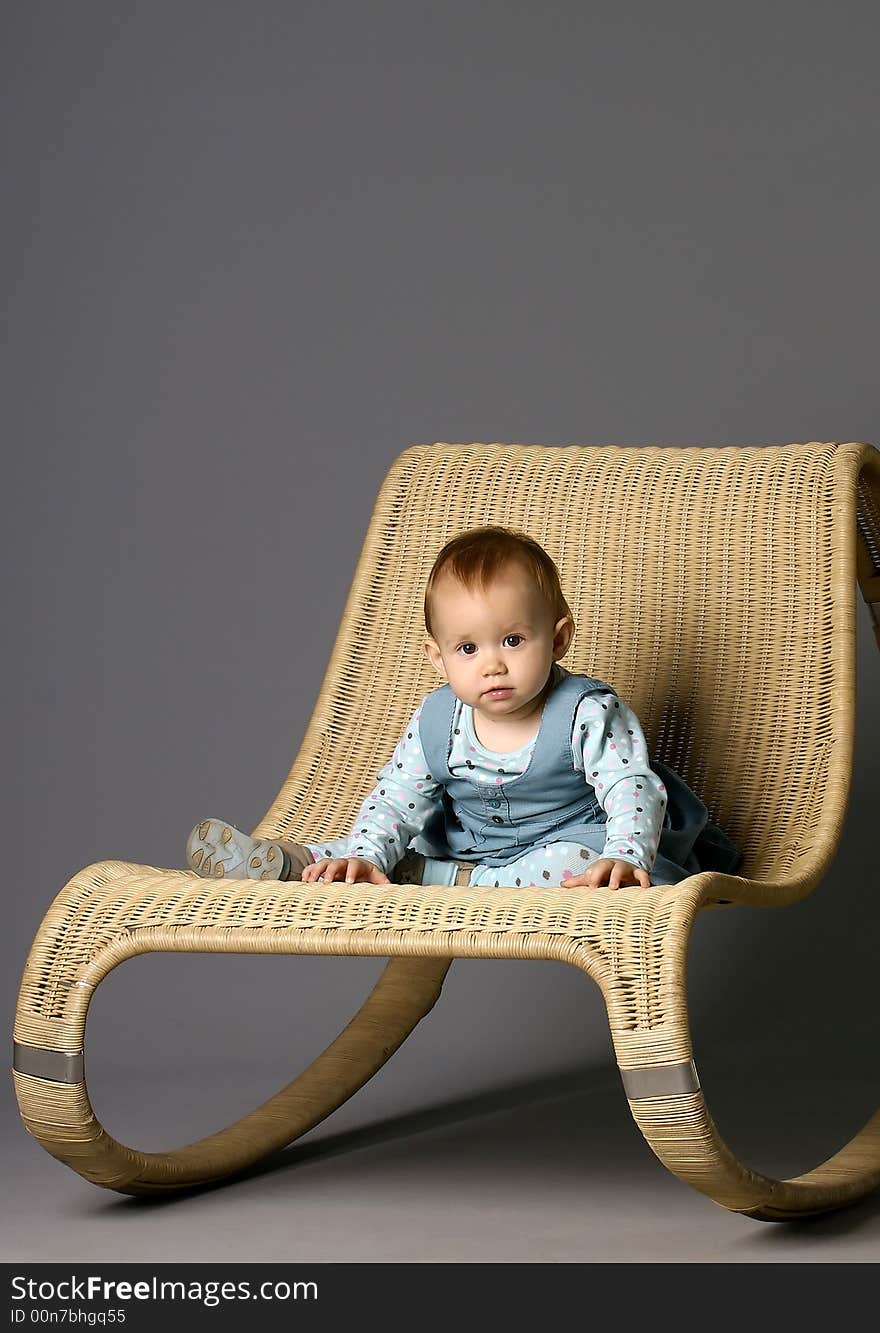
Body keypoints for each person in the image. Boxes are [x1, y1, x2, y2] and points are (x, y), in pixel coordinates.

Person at [185, 525, 741, 891]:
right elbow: (398, 799)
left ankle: (429, 878)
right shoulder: (436, 720)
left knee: (573, 869)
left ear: (559, 639)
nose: (492, 665)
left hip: (574, 841)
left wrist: (624, 854)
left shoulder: (585, 712)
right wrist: (369, 851)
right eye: (468, 649)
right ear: (438, 656)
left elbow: (631, 788)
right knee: (366, 849)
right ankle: (291, 862)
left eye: (514, 641)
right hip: (467, 844)